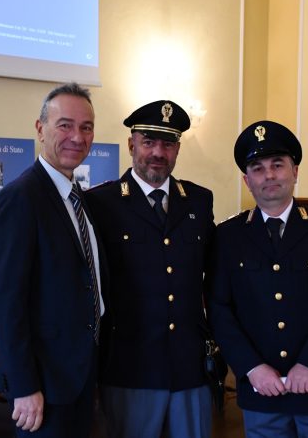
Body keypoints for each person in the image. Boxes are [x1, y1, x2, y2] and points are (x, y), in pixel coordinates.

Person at [208, 120, 308, 438]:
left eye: (278, 165)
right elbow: (219, 308)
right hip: (261, 390)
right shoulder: (227, 236)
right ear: (247, 180)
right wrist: (251, 368)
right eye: (258, 168)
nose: (270, 175)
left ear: (295, 171)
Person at [86, 100, 215, 438]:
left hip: (189, 367)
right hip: (130, 367)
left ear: (177, 150)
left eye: (168, 143)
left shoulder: (199, 201)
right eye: (148, 142)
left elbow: (215, 279)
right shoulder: (101, 204)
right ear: (131, 145)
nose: (158, 152)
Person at [0, 82, 107, 437]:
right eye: (65, 125)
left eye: (86, 127)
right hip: (43, 385)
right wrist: (23, 385)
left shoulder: (78, 197)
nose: (77, 136)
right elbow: (6, 304)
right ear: (40, 129)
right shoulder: (21, 198)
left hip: (80, 373)